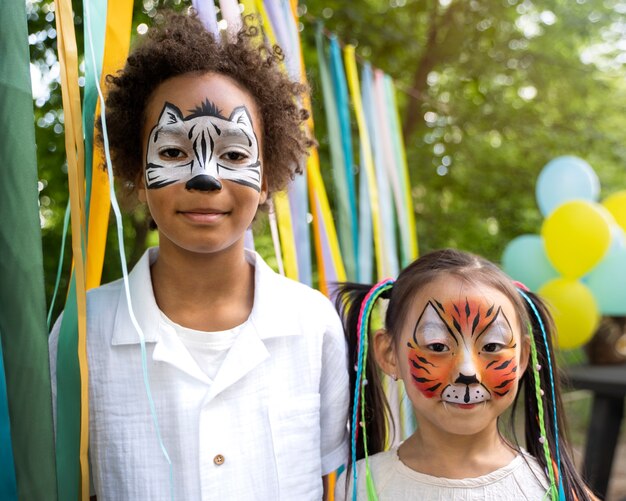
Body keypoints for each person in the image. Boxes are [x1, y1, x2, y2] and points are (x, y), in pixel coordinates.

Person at [49, 11, 348, 500]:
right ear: (139, 175)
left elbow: (327, 475)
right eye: (171, 153)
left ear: (267, 176)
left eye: (234, 155)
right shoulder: (84, 332)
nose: (205, 177)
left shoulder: (313, 324)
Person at [334, 248, 597, 500]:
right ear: (389, 354)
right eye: (437, 346)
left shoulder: (553, 487)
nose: (468, 371)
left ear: (522, 357)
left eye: (492, 346)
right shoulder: (361, 486)